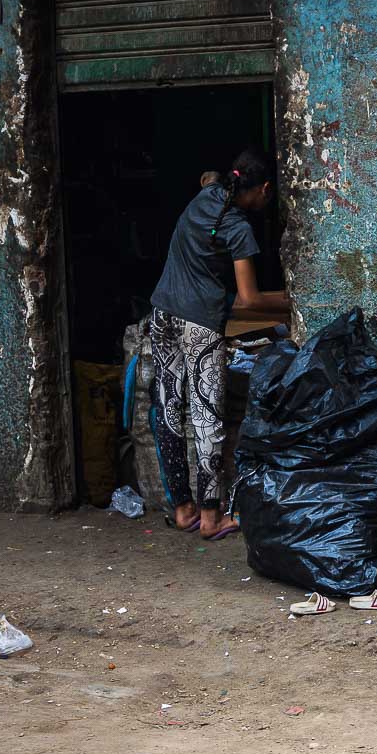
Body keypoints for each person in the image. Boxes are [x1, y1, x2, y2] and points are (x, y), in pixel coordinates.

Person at [149, 146, 287, 540]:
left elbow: (208, 176)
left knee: (168, 408)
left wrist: (212, 176)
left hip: (162, 313)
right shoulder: (239, 228)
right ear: (261, 189)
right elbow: (249, 299)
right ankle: (211, 517)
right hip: (200, 323)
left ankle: (183, 508)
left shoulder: (209, 193)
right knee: (208, 414)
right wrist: (293, 299)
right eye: (269, 192)